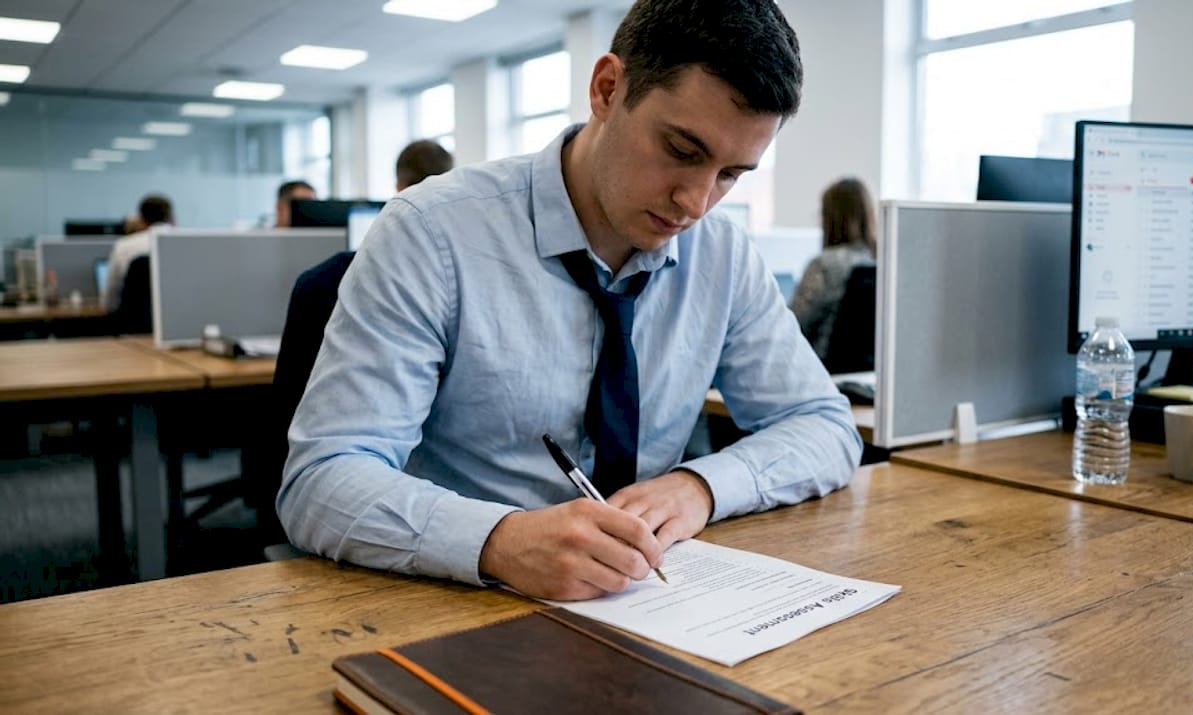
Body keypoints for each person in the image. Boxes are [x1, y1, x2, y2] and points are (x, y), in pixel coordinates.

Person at [278, 0, 861, 601]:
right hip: (455, 602)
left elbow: (823, 426)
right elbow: (321, 481)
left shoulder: (723, 256)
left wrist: (700, 487)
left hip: (645, 601)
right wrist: (498, 539)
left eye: (730, 174)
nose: (696, 202)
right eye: (682, 151)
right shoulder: (431, 233)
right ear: (608, 90)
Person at [253, 139, 457, 535]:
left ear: (397, 188)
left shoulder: (323, 279)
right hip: (402, 498)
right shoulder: (446, 280)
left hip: (380, 499)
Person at [789, 177, 878, 363]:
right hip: (868, 374)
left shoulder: (824, 265)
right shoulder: (880, 260)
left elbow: (791, 327)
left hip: (823, 372)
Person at [100, 194, 173, 311]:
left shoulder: (124, 246)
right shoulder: (185, 246)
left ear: (141, 219)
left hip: (134, 325)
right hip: (176, 321)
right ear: (171, 217)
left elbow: (109, 300)